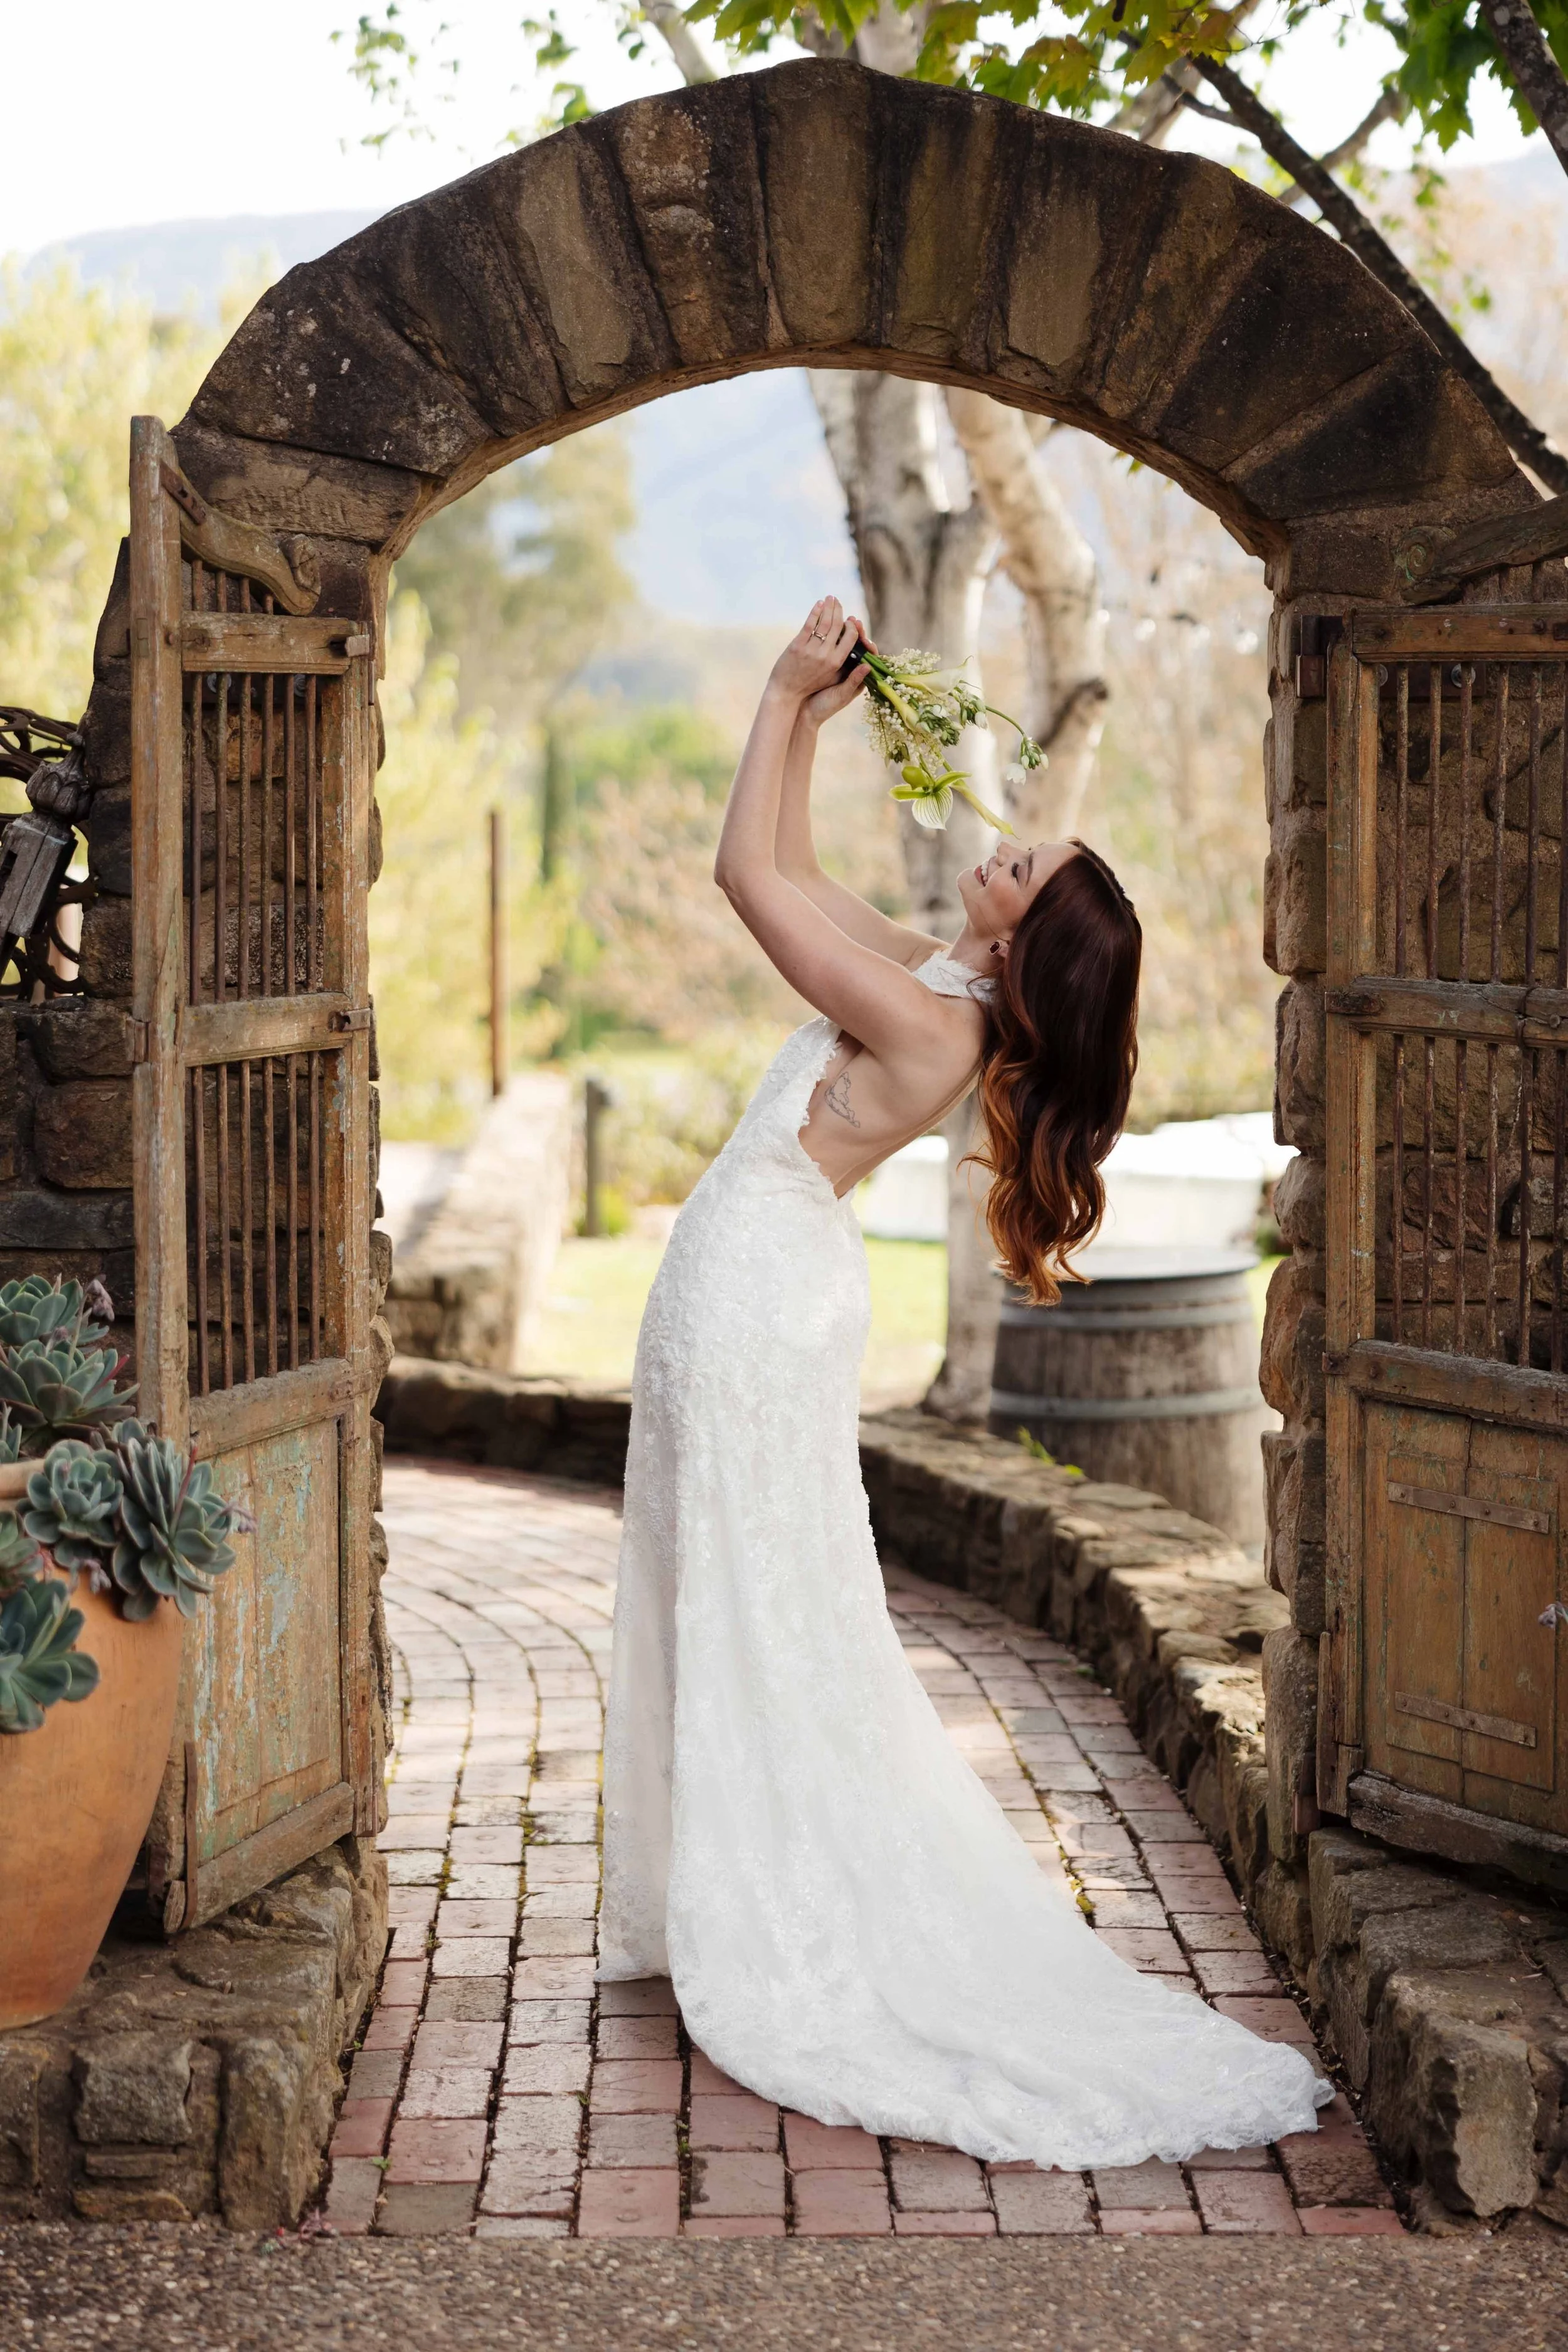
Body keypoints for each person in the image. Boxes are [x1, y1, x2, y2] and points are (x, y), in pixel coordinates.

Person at [599, 598, 1329, 2166]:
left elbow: (736, 883)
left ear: (1024, 936)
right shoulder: (939, 982)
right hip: (758, 1289)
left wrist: (778, 687)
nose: (996, 849)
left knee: (752, 1593)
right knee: (731, 1585)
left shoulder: (932, 1023)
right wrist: (808, 715)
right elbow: (789, 872)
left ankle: (768, 1903)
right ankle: (710, 1876)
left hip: (753, 1297)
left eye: (1022, 867)